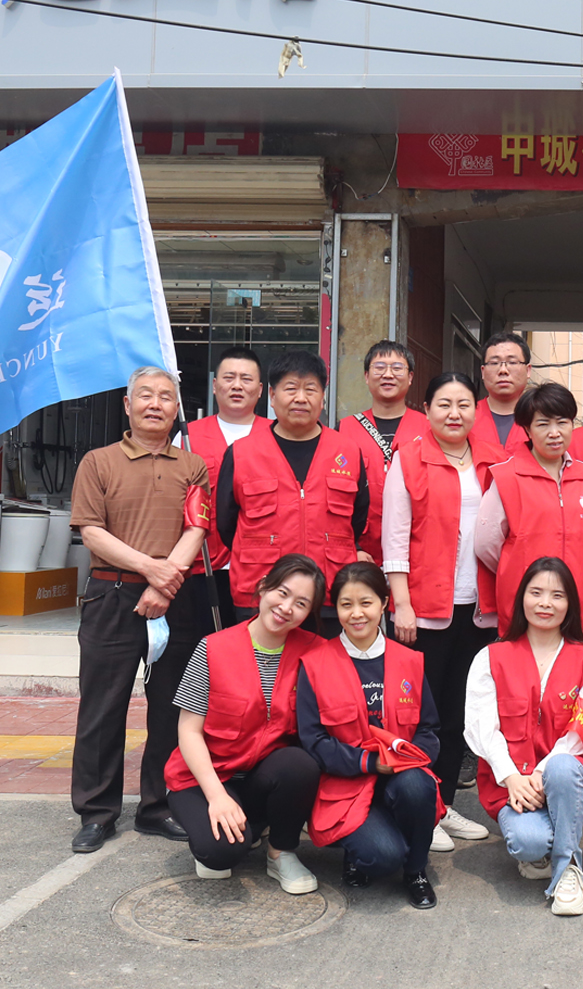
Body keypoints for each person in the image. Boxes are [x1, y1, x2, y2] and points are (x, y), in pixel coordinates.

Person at [68, 366, 209, 853]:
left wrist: (165, 584)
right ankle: (96, 812)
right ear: (127, 406)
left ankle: (158, 807)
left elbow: (196, 528)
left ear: (176, 408)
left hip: (174, 599)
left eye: (165, 397)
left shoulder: (192, 466)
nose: (155, 404)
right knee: (102, 709)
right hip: (112, 596)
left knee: (172, 708)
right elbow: (92, 531)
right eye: (144, 395)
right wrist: (151, 570)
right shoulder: (98, 462)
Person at [381, 370, 503, 850]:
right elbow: (395, 537)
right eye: (444, 404)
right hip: (424, 611)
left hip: (479, 609)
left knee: (457, 716)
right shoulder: (408, 459)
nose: (455, 414)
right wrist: (402, 604)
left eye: (464, 404)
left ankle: (443, 805)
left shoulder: (494, 459)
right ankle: (418, 809)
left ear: (477, 410)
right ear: (426, 410)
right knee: (419, 716)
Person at [464, 558, 583, 916]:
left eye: (557, 595)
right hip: (513, 783)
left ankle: (568, 869)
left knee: (563, 765)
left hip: (567, 779)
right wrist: (511, 777)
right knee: (530, 843)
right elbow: (479, 727)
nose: (545, 603)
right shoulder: (490, 658)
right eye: (536, 593)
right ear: (522, 597)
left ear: (570, 604)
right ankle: (551, 838)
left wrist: (539, 773)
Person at [165, 554, 326, 894]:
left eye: (301, 604)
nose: (286, 608)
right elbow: (189, 731)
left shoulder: (317, 653)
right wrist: (217, 797)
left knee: (298, 763)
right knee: (221, 854)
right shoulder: (212, 648)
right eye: (282, 593)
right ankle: (236, 828)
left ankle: (281, 851)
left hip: (261, 780)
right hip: (203, 779)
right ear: (264, 587)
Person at [295, 562, 443, 910]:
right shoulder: (315, 664)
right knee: (381, 858)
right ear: (335, 608)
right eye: (346, 604)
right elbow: (314, 740)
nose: (356, 613)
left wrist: (407, 760)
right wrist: (370, 762)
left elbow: (428, 729)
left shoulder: (409, 661)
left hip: (401, 776)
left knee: (418, 786)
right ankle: (362, 848)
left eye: (366, 603)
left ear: (384, 603)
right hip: (347, 784)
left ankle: (416, 870)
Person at [216, 350, 368, 636]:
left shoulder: (348, 451)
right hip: (261, 593)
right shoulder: (241, 453)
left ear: (323, 397)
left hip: (329, 595)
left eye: (310, 389)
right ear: (272, 396)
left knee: (324, 665)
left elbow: (357, 521)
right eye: (290, 389)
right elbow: (226, 524)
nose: (301, 398)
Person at [476, 382, 583, 643]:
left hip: (577, 605)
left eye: (562, 422)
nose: (554, 433)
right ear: (527, 429)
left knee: (576, 668)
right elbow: (486, 544)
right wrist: (516, 566)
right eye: (543, 424)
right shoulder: (506, 477)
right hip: (524, 607)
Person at [183, 345, 270, 631]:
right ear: (214, 385)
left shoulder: (278, 435)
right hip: (204, 564)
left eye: (246, 379)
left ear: (260, 389)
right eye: (229, 377)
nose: (237, 386)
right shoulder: (187, 437)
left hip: (263, 567)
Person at [337, 340, 431, 566]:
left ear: (410, 377)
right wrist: (353, 548)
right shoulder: (344, 429)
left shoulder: (429, 429)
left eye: (397, 368)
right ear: (366, 376)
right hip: (360, 554)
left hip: (416, 551)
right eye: (379, 368)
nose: (388, 375)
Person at [470, 330, 533, 452]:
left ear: (528, 370)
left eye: (512, 362)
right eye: (494, 363)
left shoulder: (540, 417)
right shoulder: (466, 416)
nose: (503, 370)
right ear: (483, 371)